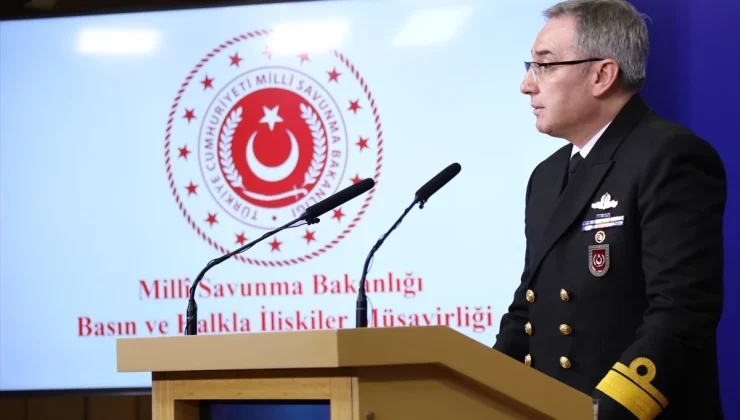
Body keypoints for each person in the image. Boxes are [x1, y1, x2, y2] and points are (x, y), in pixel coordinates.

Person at [492, 0, 727, 419]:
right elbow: (529, 309)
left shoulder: (670, 156)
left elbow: (680, 311)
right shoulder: (546, 176)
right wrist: (479, 390)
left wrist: (608, 410)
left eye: (544, 65)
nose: (527, 85)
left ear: (602, 75)